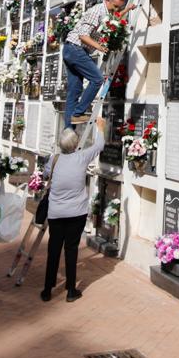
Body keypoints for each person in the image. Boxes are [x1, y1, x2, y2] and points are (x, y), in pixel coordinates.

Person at [41, 119, 108, 302]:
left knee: (53, 250)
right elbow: (100, 145)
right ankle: (71, 290)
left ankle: (47, 289)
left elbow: (46, 175)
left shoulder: (54, 160)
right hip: (76, 214)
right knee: (71, 250)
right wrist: (100, 126)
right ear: (76, 143)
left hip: (56, 213)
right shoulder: (82, 157)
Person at [64, 0, 135, 127]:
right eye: (115, 6)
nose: (115, 10)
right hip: (76, 49)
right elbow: (83, 36)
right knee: (97, 79)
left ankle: (68, 130)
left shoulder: (107, 12)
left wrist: (126, 10)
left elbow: (113, 20)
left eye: (118, 8)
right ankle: (78, 114)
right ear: (107, 0)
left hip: (70, 49)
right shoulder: (96, 11)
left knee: (75, 91)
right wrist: (99, 47)